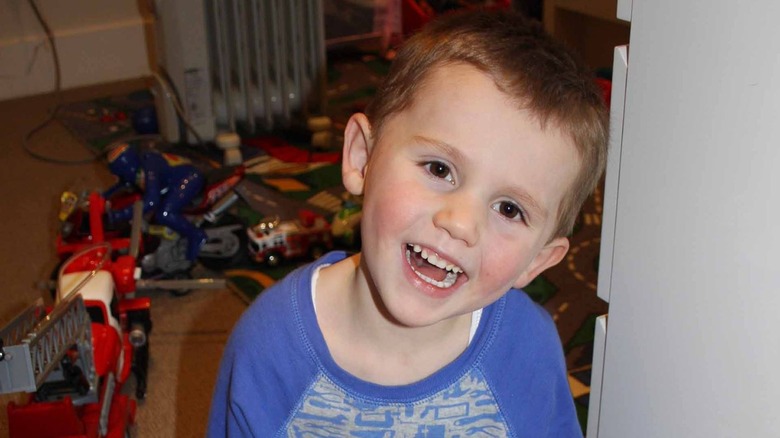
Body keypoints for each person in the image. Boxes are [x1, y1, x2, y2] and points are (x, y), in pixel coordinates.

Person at [208, 9, 607, 437]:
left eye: (509, 209)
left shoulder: (527, 349)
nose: (460, 223)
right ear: (362, 157)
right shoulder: (270, 346)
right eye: (439, 169)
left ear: (538, 260)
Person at [104, 143, 207, 261]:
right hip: (175, 181)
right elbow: (123, 183)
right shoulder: (139, 166)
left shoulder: (149, 167)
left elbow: (152, 200)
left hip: (189, 178)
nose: (117, 178)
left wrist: (121, 214)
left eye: (117, 175)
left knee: (165, 213)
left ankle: (196, 235)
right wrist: (102, 197)